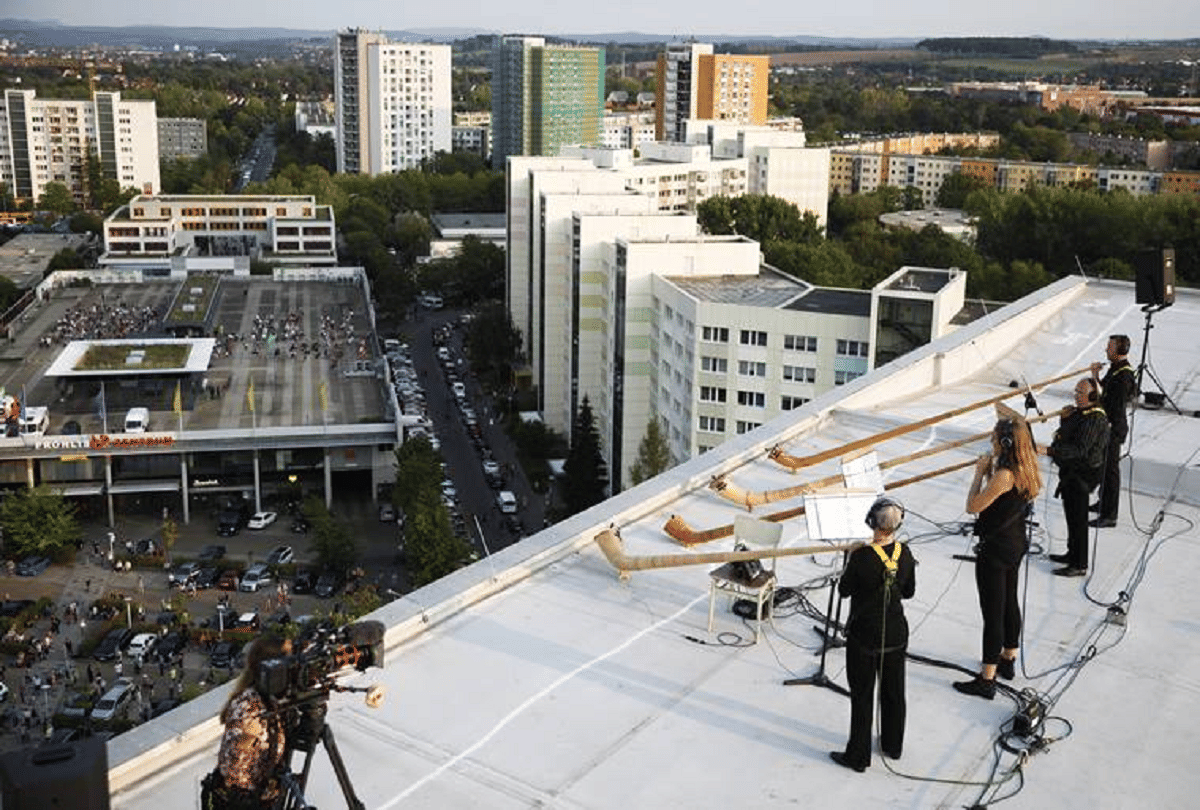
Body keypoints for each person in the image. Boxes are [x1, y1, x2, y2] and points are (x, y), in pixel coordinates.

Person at [953, 415, 1042, 700]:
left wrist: (980, 473)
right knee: (1009, 602)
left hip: (996, 549)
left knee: (993, 611)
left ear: (1004, 442)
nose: (991, 442)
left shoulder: (1004, 475)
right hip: (1015, 544)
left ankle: (987, 678)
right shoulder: (1027, 467)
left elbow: (973, 506)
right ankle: (1008, 658)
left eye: (994, 438)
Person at [830, 497, 916, 773]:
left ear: (872, 522)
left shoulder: (862, 557)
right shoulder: (905, 552)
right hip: (896, 633)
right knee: (894, 691)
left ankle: (858, 756)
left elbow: (844, 590)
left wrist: (852, 558)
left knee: (863, 695)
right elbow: (910, 591)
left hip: (865, 636)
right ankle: (893, 745)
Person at [203, 636, 291, 809]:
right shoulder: (248, 707)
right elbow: (232, 770)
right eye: (289, 660)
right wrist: (249, 738)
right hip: (243, 802)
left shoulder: (272, 699)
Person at [1046, 377, 1110, 577]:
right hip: (1071, 474)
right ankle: (1071, 553)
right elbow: (1065, 434)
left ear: (1093, 395)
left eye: (1080, 393)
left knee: (1078, 520)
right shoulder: (1080, 414)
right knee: (1071, 517)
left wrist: (1049, 451)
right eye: (1076, 391)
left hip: (1082, 475)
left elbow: (1080, 449)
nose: (1076, 396)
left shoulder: (1095, 418)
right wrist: (1065, 419)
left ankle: (1079, 564)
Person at [1089, 334, 1137, 527]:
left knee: (1110, 472)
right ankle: (1103, 502)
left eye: (1110, 347)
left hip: (1112, 429)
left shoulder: (1124, 375)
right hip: (1107, 427)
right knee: (1103, 469)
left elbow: (1113, 405)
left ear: (1119, 350)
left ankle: (1110, 515)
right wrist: (1095, 377)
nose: (1106, 350)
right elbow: (1104, 393)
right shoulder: (1115, 370)